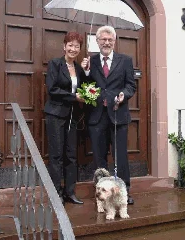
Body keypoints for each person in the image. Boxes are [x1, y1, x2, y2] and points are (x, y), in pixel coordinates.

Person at [81, 25, 136, 205]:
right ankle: (101, 196)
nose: (106, 42)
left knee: (121, 157)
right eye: (103, 39)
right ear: (97, 41)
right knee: (99, 158)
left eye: (109, 40)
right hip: (97, 117)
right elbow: (85, 86)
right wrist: (86, 72)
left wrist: (123, 95)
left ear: (114, 41)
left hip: (118, 115)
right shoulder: (91, 61)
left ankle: (124, 193)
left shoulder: (125, 61)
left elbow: (131, 86)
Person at [44, 32, 86, 205]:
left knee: (71, 155)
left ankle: (70, 192)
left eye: (77, 46)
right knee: (56, 156)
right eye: (70, 45)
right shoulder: (55, 64)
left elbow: (84, 88)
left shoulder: (79, 68)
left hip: (72, 116)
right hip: (55, 114)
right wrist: (73, 96)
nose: (73, 49)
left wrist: (87, 72)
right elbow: (52, 89)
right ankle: (57, 194)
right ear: (64, 46)